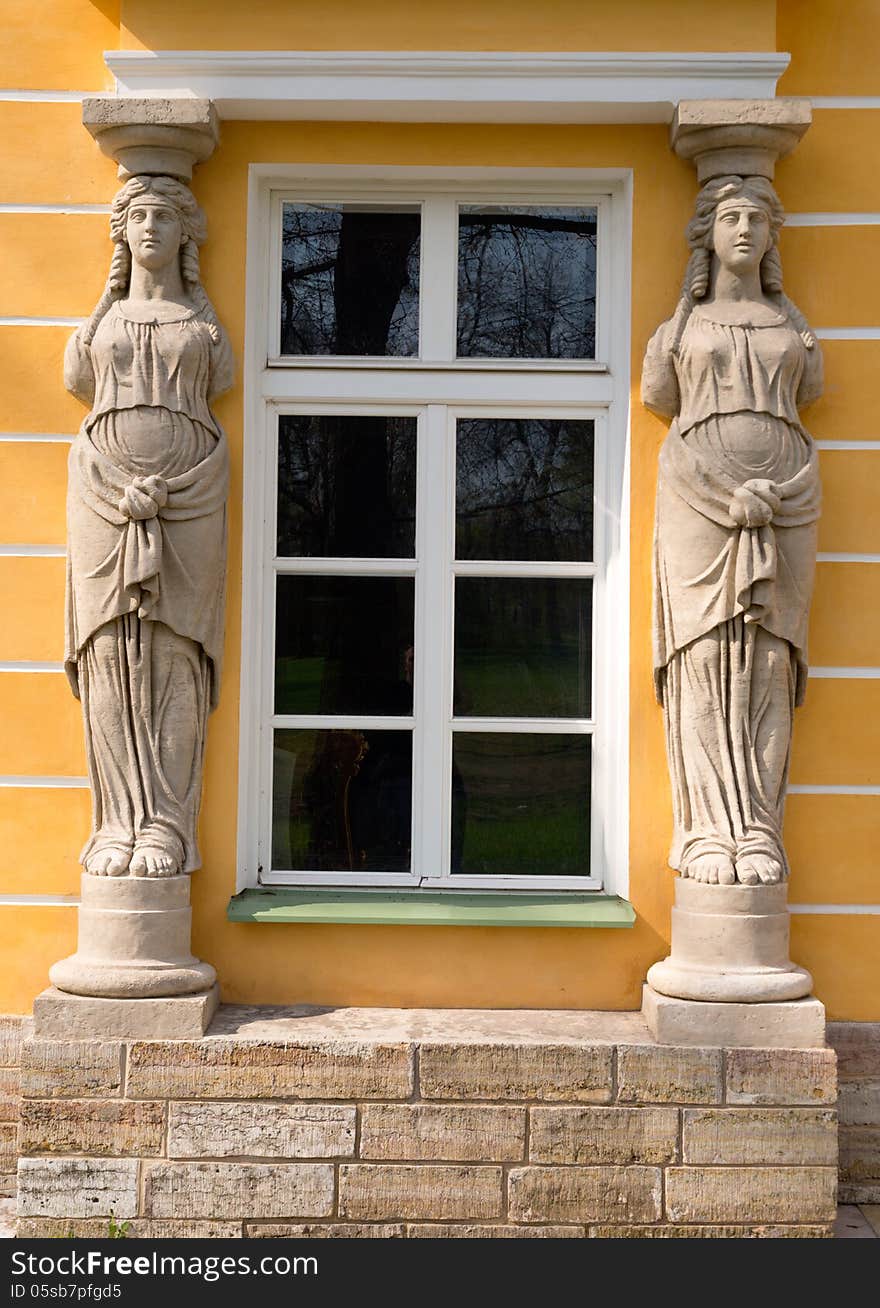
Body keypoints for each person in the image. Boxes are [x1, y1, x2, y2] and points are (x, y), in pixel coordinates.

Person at [641, 174, 822, 887]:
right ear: (707, 234)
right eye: (730, 217)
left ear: (774, 236)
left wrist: (771, 491)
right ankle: (711, 830)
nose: (743, 229)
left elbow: (809, 395)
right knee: (704, 658)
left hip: (789, 499)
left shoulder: (790, 327)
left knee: (771, 662)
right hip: (696, 495)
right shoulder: (681, 328)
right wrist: (725, 489)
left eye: (756, 218)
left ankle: (759, 829)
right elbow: (660, 397)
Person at [64, 174, 234, 878]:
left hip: (191, 496)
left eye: (166, 215)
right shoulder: (100, 323)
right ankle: (116, 824)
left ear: (186, 232)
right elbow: (79, 384)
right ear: (122, 231)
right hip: (101, 495)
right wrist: (118, 485)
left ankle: (163, 822)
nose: (152, 227)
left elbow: (219, 378)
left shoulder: (203, 325)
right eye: (139, 215)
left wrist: (169, 485)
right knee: (107, 650)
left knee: (173, 657)